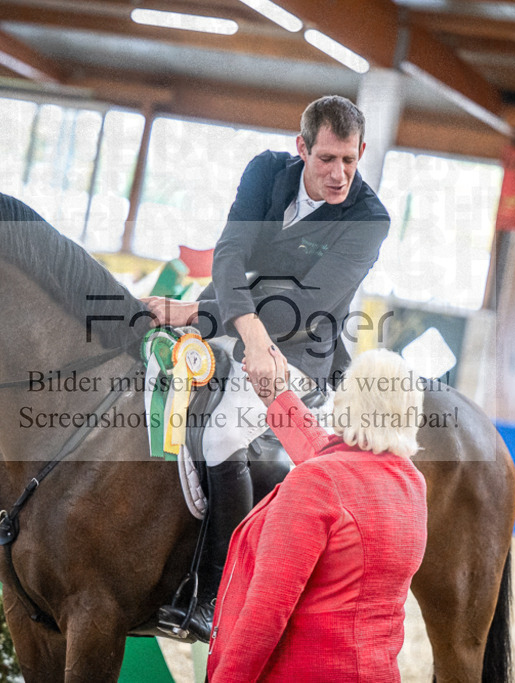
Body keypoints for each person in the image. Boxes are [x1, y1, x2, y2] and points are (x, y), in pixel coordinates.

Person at [146, 95, 390, 640]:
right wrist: (223, 323)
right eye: (326, 159)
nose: (339, 174)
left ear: (362, 153)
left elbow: (307, 303)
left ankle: (215, 597)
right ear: (301, 148)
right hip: (234, 325)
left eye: (350, 160)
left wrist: (207, 315)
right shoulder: (263, 172)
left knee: (219, 436)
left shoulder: (369, 218)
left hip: (302, 351)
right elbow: (230, 254)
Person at [205, 346, 428, 682]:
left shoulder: (318, 481)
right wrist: (276, 395)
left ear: (347, 401)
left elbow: (267, 610)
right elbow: (331, 459)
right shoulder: (410, 482)